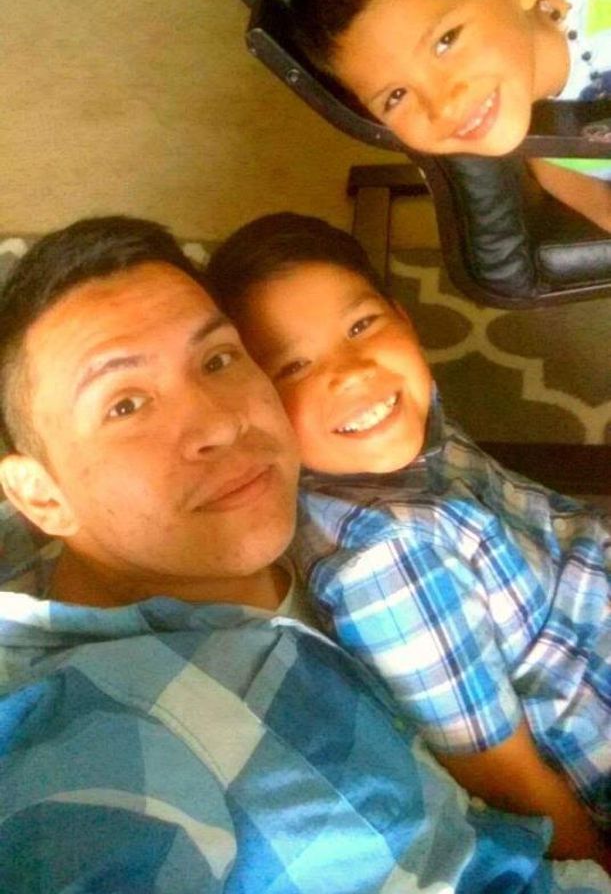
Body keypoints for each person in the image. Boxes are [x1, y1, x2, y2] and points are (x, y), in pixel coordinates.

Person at [4, 218, 609, 892]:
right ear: (40, 494)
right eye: (125, 405)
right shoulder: (88, 739)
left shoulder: (340, 456)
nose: (222, 422)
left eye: (218, 359)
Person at [205, 210, 611, 870]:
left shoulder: (392, 425)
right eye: (293, 365)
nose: (350, 372)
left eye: (361, 326)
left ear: (403, 317)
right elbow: (506, 777)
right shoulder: (387, 561)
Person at [290, 0, 611, 232]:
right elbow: (551, 157)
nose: (441, 106)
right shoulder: (514, 88)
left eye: (445, 41)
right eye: (395, 96)